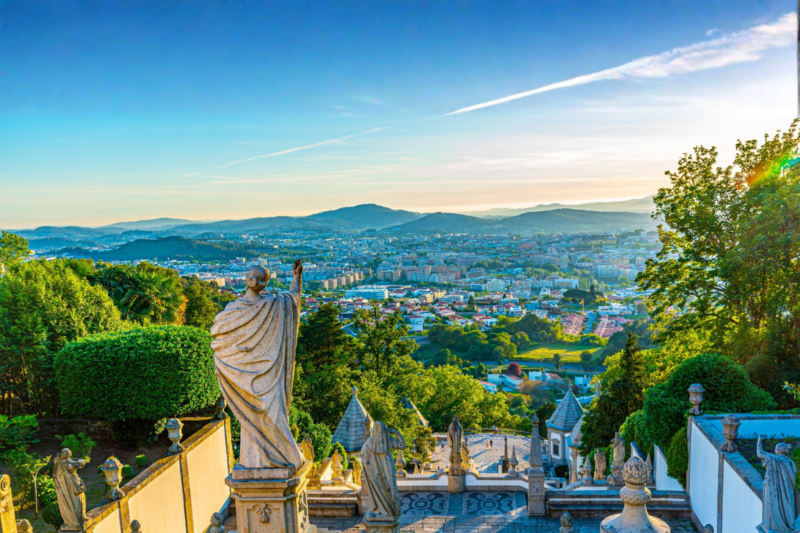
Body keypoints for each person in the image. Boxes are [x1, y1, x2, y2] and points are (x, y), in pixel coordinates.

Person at [211, 260, 305, 473]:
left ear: (248, 281)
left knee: (251, 421)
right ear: (263, 284)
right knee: (272, 418)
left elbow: (220, 346)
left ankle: (262, 461)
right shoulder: (274, 304)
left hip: (243, 382)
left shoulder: (231, 311)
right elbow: (294, 299)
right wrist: (297, 277)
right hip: (268, 381)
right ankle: (282, 457)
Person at [361, 422, 406, 519]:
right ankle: (389, 511)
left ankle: (387, 510)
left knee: (383, 488)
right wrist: (397, 433)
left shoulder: (369, 442)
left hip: (379, 472)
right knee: (390, 488)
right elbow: (402, 445)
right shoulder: (388, 439)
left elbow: (363, 455)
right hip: (387, 468)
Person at [758, 435, 800, 531]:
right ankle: (788, 523)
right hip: (787, 489)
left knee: (775, 505)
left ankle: (777, 525)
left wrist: (759, 442)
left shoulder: (772, 458)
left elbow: (760, 453)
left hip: (774, 488)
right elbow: (793, 474)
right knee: (787, 505)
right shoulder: (789, 461)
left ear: (777, 450)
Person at [53, 448, 88, 528]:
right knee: (78, 501)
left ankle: (73, 520)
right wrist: (82, 460)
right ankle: (79, 519)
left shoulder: (58, 462)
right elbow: (80, 464)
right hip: (73, 486)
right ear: (69, 454)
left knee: (71, 503)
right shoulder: (68, 462)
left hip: (65, 488)